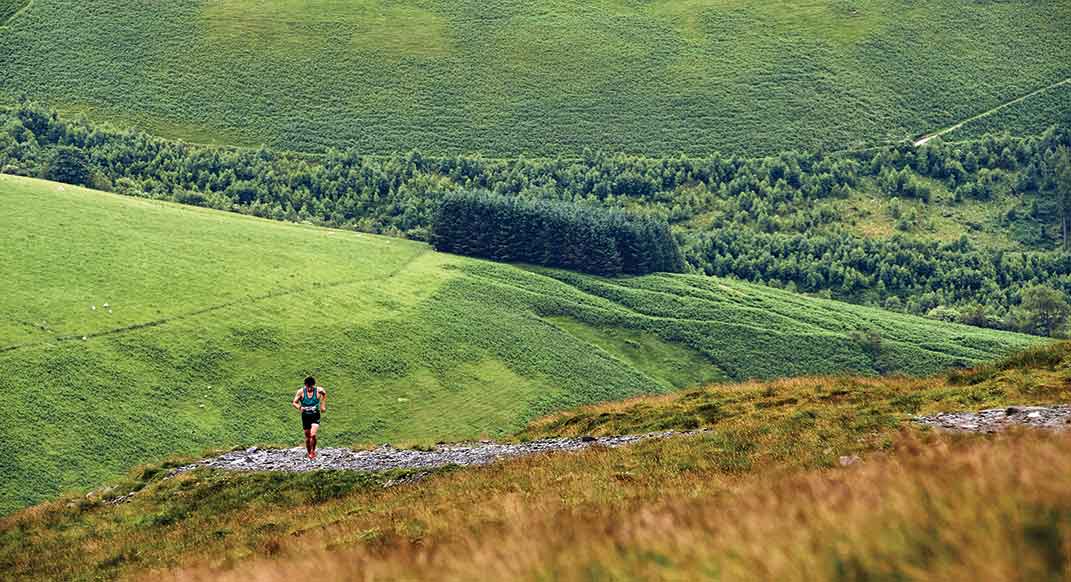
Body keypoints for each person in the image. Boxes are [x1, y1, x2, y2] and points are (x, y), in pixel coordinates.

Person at [292, 376, 327, 460]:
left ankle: (313, 452)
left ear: (314, 385)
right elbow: (294, 402)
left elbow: (324, 394)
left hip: (315, 414)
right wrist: (300, 407)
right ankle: (309, 452)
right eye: (308, 387)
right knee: (307, 437)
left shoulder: (319, 390)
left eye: (311, 387)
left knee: (313, 434)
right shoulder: (301, 392)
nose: (309, 389)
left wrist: (322, 406)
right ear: (305, 385)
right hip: (305, 415)